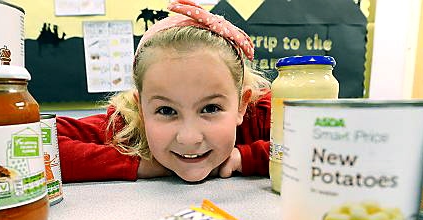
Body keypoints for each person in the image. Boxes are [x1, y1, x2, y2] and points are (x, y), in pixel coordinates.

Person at [57, 0, 271, 183]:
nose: (189, 138)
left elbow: (305, 148)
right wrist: (138, 164)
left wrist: (246, 158)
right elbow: (41, 142)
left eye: (211, 108)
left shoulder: (264, 115)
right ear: (140, 108)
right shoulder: (129, 126)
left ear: (242, 104)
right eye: (166, 111)